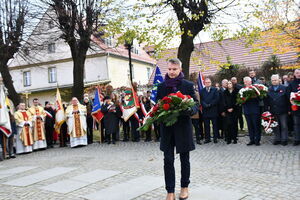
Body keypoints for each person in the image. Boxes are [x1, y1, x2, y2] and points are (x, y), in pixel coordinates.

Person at [157, 58, 199, 200]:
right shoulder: (161, 86)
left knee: (184, 159)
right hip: (167, 128)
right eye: (169, 69)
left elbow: (195, 104)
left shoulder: (187, 85)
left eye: (174, 69)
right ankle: (170, 191)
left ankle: (184, 187)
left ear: (180, 69)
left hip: (182, 127)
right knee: (167, 160)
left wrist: (189, 109)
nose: (171, 72)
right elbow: (157, 106)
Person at [266, 74, 289, 146]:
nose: (274, 82)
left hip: (283, 110)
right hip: (273, 110)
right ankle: (277, 139)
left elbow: (288, 100)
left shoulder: (285, 88)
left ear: (279, 80)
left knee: (284, 125)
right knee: (275, 125)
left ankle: (284, 139)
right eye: (272, 80)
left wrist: (289, 110)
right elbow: (266, 100)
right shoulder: (268, 89)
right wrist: (266, 110)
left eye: (275, 80)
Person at [200, 78, 220, 144]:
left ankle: (215, 138)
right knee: (206, 125)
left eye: (208, 82)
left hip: (213, 110)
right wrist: (205, 105)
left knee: (215, 125)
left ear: (211, 83)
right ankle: (207, 138)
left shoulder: (214, 90)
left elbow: (216, 99)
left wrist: (210, 104)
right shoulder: (202, 90)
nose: (207, 83)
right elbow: (201, 99)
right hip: (205, 110)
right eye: (206, 82)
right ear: (204, 83)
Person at [243, 77, 262, 146]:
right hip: (247, 110)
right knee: (249, 126)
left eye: (247, 81)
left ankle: (257, 140)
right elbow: (240, 100)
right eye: (244, 82)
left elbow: (260, 98)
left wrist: (255, 96)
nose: (245, 83)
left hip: (255, 110)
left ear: (250, 82)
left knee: (256, 125)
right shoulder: (242, 90)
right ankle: (252, 139)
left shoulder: (255, 88)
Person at [287, 69, 300, 146]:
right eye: (297, 73)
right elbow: (288, 96)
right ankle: (297, 139)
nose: (299, 74)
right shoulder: (291, 84)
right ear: (294, 74)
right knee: (296, 124)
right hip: (295, 108)